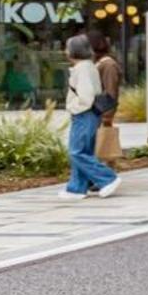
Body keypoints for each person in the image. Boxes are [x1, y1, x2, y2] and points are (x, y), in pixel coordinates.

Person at [62, 34, 120, 199]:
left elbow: (86, 97)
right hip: (89, 115)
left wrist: (72, 107)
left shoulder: (83, 69)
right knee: (84, 151)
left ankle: (108, 178)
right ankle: (76, 188)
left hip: (83, 114)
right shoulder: (88, 66)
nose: (65, 51)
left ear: (74, 51)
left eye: (67, 48)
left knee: (77, 152)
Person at [89, 32, 123, 168]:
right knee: (99, 144)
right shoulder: (98, 63)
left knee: (103, 145)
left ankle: (105, 175)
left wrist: (107, 115)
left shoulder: (108, 65)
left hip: (101, 112)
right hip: (96, 112)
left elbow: (110, 91)